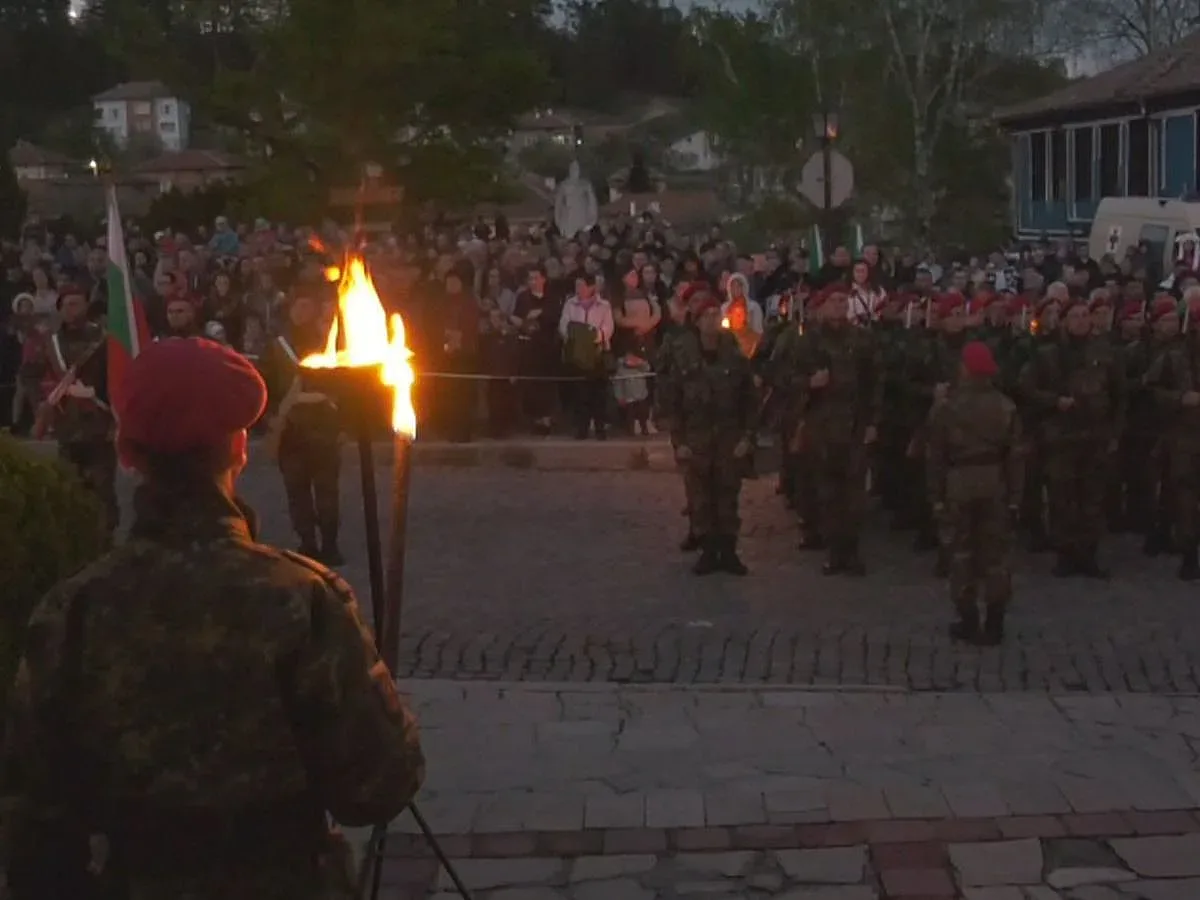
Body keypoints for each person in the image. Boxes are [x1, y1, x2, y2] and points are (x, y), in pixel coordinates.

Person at [0, 337, 425, 900]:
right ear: (240, 449)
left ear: (127, 452)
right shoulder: (300, 599)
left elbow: (34, 820)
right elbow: (379, 785)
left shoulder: (74, 610)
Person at [925, 342, 1023, 645]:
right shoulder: (1006, 406)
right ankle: (995, 621)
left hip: (958, 481)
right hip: (994, 481)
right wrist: (1016, 497)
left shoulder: (947, 407)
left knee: (961, 553)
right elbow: (1016, 456)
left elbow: (936, 456)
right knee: (995, 555)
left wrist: (936, 496)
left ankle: (968, 619)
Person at [663, 292, 759, 575]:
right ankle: (708, 550)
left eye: (716, 315)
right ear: (696, 320)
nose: (711, 320)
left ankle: (728, 551)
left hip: (728, 435)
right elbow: (673, 400)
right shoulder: (682, 352)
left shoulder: (733, 353)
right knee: (701, 498)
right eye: (706, 316)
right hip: (697, 436)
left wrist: (747, 437)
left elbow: (748, 398)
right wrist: (678, 441)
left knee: (728, 494)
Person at [25, 283, 118, 536]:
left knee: (103, 493)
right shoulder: (50, 343)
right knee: (69, 491)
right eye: (66, 304)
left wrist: (111, 411)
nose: (71, 309)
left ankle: (104, 544)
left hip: (98, 425)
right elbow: (31, 376)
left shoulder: (104, 339)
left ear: (87, 305)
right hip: (66, 426)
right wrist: (43, 405)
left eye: (76, 303)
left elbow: (118, 378)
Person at [262, 290, 344, 564]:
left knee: (327, 491)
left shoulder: (329, 343)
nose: (302, 311)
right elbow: (266, 384)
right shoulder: (277, 347)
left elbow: (340, 387)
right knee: (297, 492)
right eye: (298, 305)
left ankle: (330, 545)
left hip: (323, 428)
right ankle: (307, 542)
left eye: (307, 305)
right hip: (291, 431)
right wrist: (272, 416)